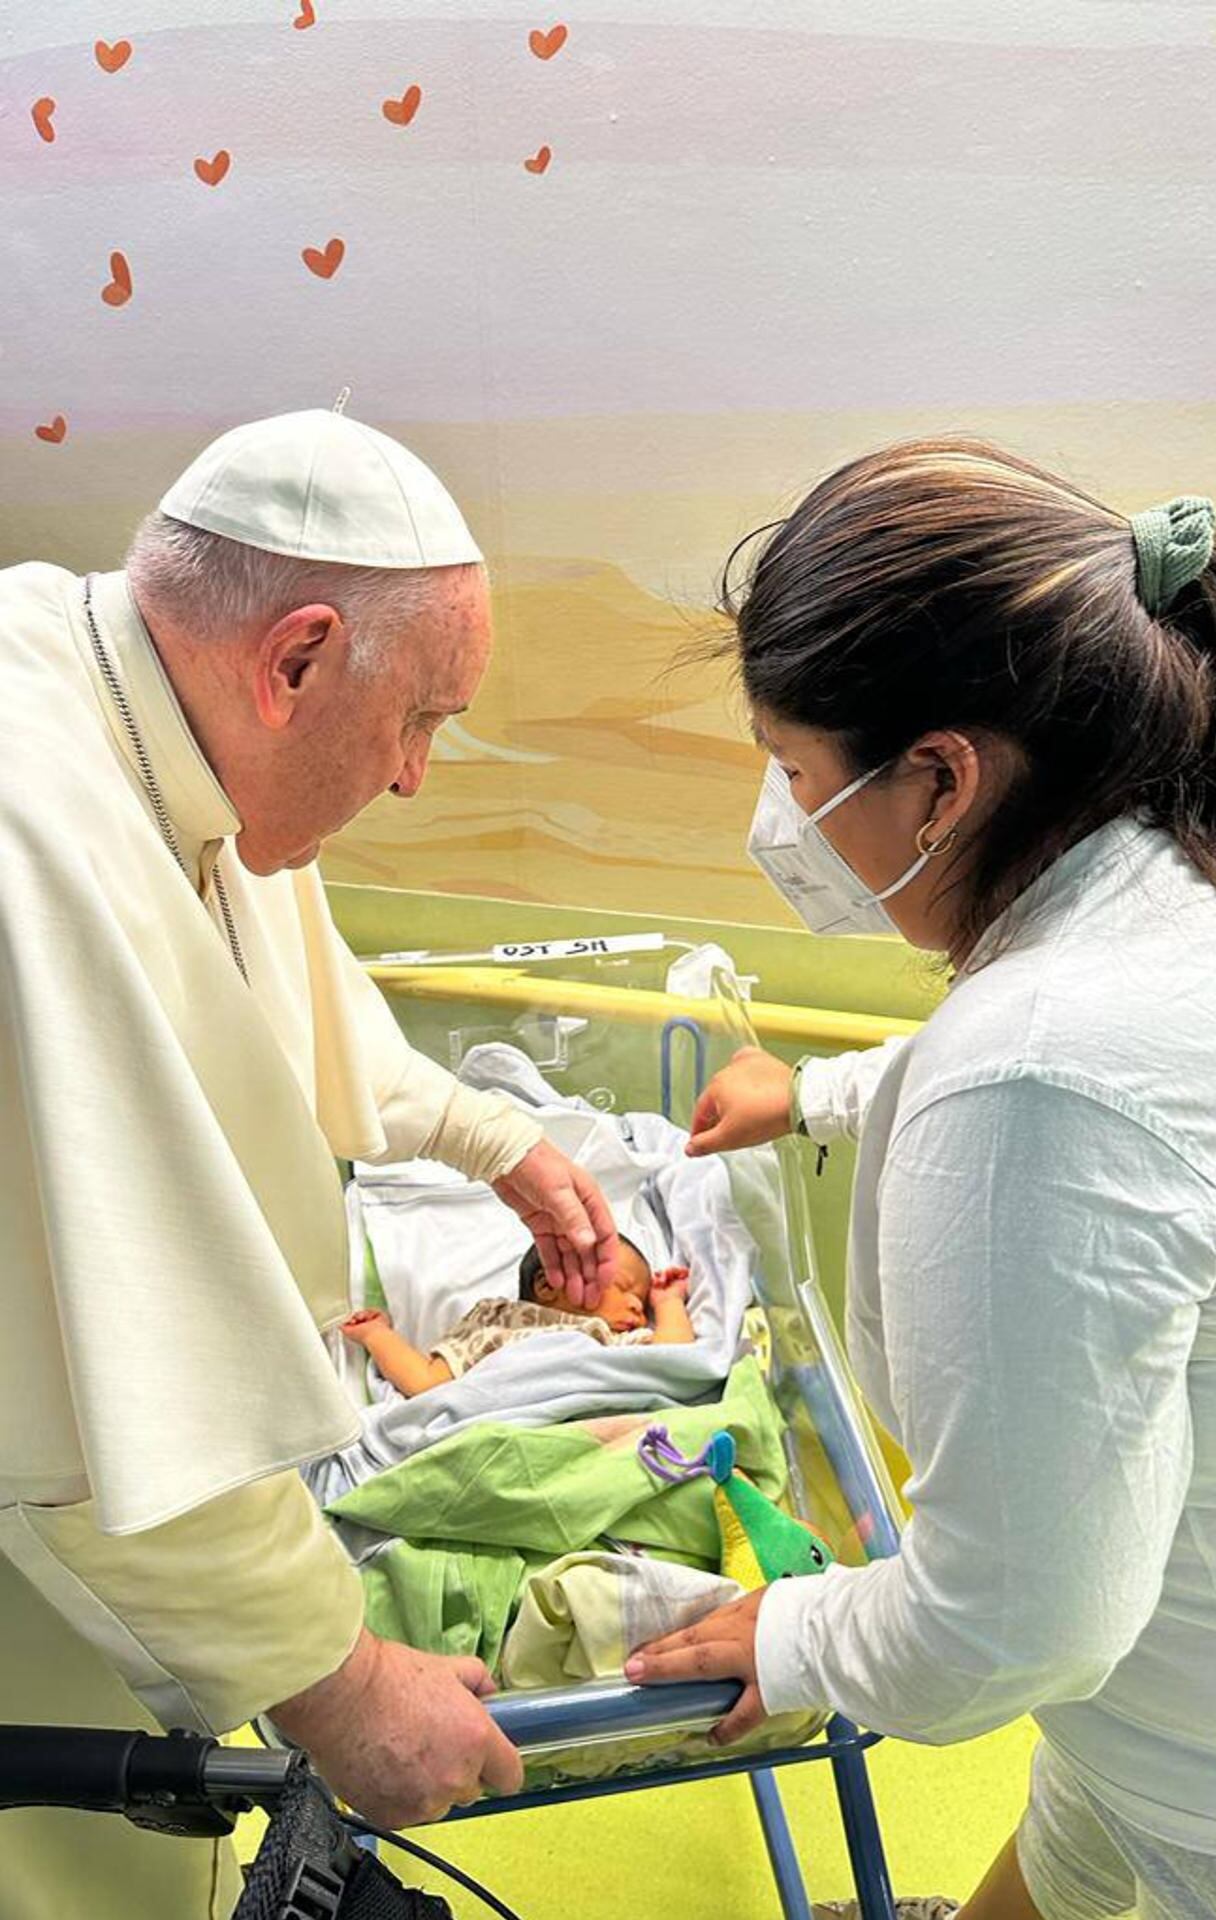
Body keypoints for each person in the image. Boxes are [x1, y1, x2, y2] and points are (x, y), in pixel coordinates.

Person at [626, 442, 1216, 1920]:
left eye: (794, 775)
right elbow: (1124, 1124)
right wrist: (824, 1092)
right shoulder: (1186, 874)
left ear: (940, 778)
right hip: (1175, 1684)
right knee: (1070, 1851)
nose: (776, 817)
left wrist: (791, 1635)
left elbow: (1009, 1627)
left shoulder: (1043, 1074)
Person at [0, 407, 621, 1919]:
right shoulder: (30, 841)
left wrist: (498, 1141)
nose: (413, 776)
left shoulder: (131, 697)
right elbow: (87, 1415)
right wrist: (336, 1682)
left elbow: (268, 1015)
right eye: (420, 721)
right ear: (294, 661)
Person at [341, 1238, 695, 1395]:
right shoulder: (497, 1323)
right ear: (547, 1284)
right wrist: (377, 1336)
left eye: (642, 1299)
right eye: (623, 1286)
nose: (637, 1306)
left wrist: (667, 1305)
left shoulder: (608, 1339)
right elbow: (427, 1383)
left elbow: (673, 1359)